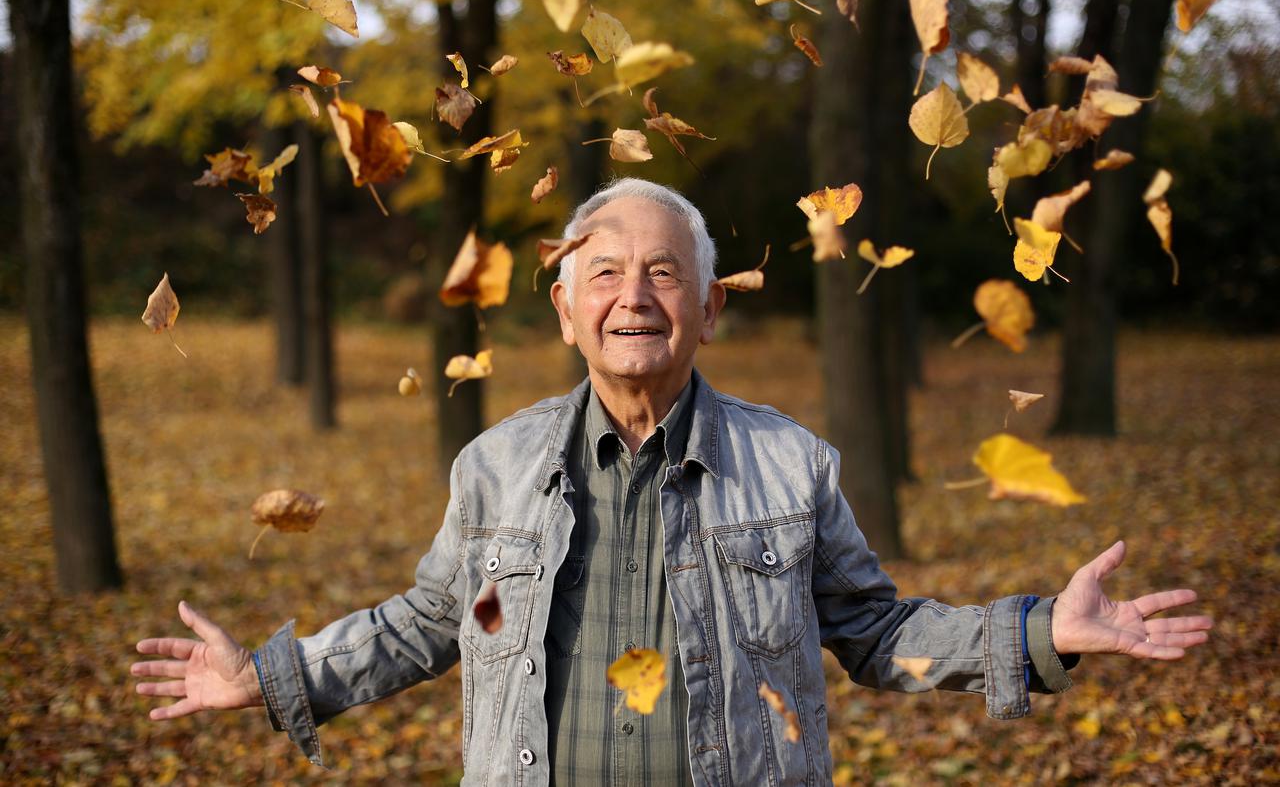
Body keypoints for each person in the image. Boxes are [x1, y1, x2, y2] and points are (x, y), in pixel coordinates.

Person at [132, 178, 1212, 786]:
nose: (632, 294)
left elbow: (877, 634)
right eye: (602, 271)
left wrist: (1039, 636)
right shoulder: (496, 466)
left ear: (708, 306)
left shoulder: (790, 464)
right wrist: (275, 677)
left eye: (663, 271)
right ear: (563, 309)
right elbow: (428, 620)